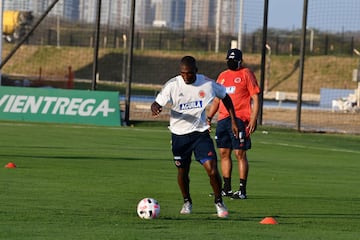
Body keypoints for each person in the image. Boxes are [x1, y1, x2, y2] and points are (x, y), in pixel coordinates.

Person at [151, 56, 239, 218]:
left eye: (189, 73)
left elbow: (225, 97)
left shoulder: (207, 83)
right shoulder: (173, 85)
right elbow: (157, 103)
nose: (186, 77)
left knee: (212, 169)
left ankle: (219, 201)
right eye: (183, 73)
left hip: (200, 134)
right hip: (179, 136)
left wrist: (233, 120)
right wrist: (156, 107)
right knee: (183, 171)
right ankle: (187, 201)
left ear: (196, 71)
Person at [207, 48, 260, 200]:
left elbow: (255, 98)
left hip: (240, 119)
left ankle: (242, 190)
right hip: (223, 120)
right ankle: (226, 188)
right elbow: (217, 100)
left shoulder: (246, 74)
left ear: (240, 61)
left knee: (239, 153)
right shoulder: (223, 76)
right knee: (224, 153)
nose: (231, 63)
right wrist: (209, 117)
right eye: (228, 60)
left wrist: (253, 118)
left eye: (233, 60)